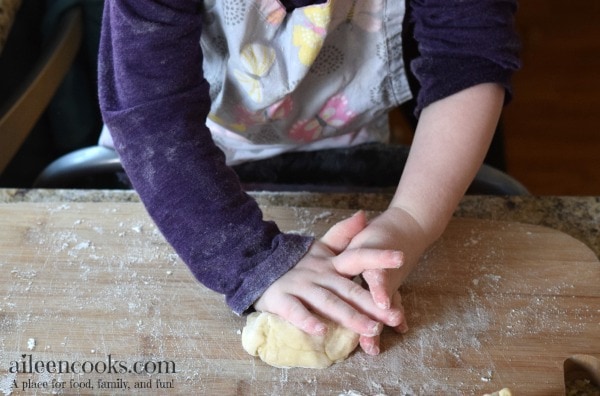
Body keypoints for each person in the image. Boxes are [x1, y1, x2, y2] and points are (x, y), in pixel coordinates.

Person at [97, 0, 520, 356]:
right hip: (182, 164)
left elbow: (467, 58)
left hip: (343, 140)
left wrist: (411, 219)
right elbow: (151, 110)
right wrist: (250, 260)